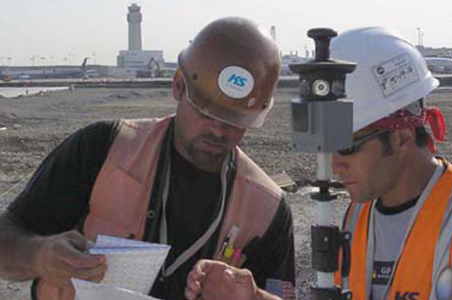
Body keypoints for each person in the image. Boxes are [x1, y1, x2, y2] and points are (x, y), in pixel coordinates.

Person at [184, 27, 452, 300]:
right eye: (322, 150)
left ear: (403, 137)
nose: (332, 167)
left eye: (345, 148)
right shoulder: (358, 217)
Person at [0, 17, 295, 300]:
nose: (218, 130)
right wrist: (38, 256)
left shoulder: (268, 209)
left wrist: (255, 297)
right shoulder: (102, 148)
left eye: (234, 119)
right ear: (178, 86)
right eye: (205, 112)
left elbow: (283, 294)